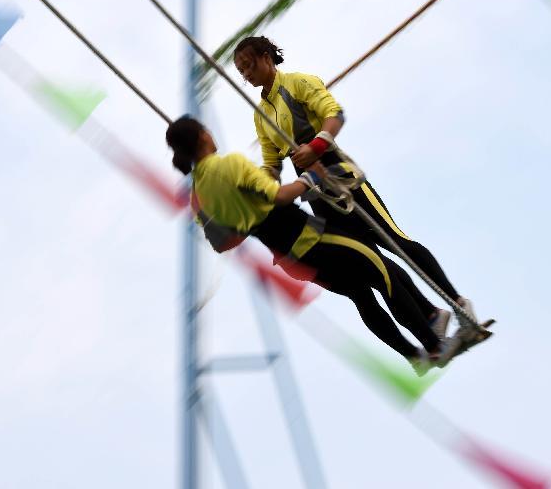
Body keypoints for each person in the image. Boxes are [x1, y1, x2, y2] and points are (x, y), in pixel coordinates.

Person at [165, 116, 464, 372]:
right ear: (203, 135)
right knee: (383, 272)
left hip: (290, 259)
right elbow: (282, 196)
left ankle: (415, 357)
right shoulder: (229, 164)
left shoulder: (197, 197)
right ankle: (434, 345)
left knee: (361, 295)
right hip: (313, 239)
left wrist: (248, 216)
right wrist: (309, 178)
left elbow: (223, 243)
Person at [232, 36, 478, 329]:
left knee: (394, 240)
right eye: (241, 71)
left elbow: (334, 115)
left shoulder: (298, 83)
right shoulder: (261, 117)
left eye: (249, 65)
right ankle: (431, 317)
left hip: (339, 174)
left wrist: (315, 147)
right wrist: (260, 187)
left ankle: (459, 302)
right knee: (370, 263)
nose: (246, 74)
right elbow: (272, 164)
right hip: (315, 193)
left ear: (266, 57)